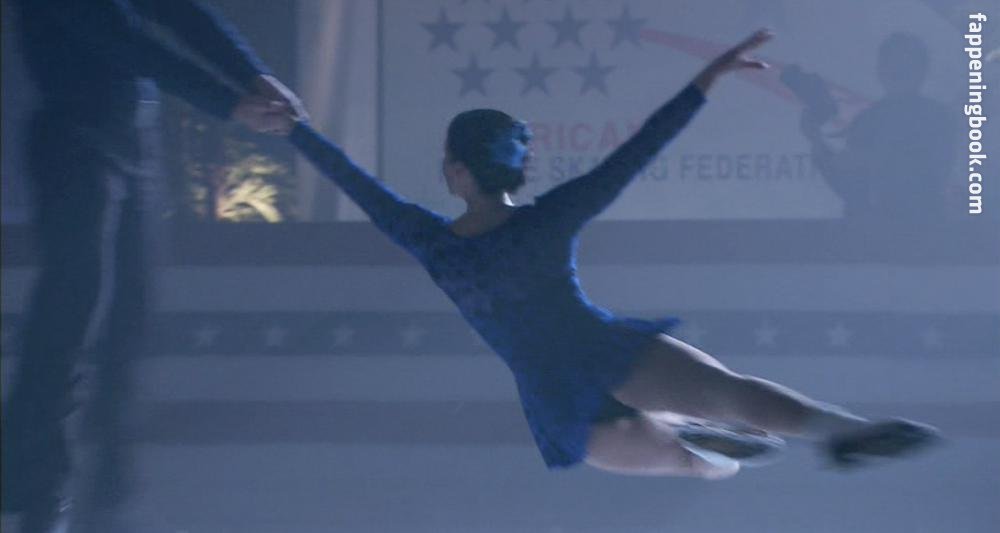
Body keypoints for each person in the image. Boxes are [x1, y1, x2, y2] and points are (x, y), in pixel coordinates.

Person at [276, 29, 939, 478]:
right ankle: (836, 428)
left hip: (558, 401)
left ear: (455, 171)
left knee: (701, 467)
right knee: (733, 394)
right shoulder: (548, 219)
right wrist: (706, 79)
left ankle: (695, 438)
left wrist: (297, 129)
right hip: (608, 354)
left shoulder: (432, 243)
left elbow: (353, 182)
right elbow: (637, 152)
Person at [1, 1, 297, 531]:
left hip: (133, 139)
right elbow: (122, 40)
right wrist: (233, 102)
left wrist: (253, 75)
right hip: (73, 138)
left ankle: (106, 489)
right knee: (74, 305)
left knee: (131, 309)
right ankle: (39, 488)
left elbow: (179, 11)